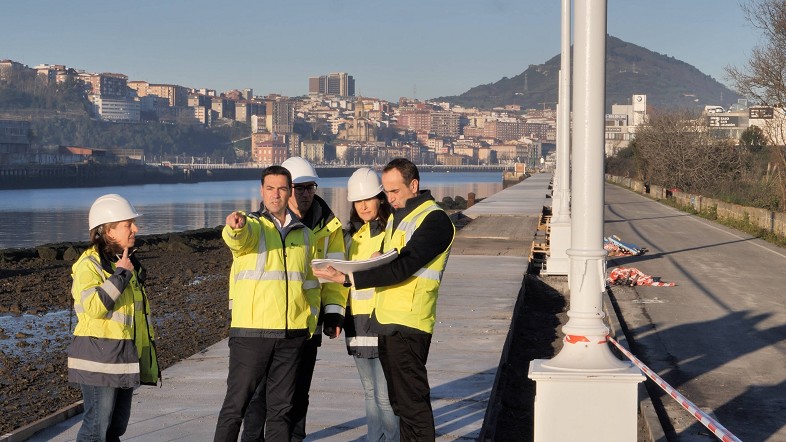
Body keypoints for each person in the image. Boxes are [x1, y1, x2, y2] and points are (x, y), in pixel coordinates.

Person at [314, 158, 455, 441]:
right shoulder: (398, 218)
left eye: (394, 191)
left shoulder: (435, 220)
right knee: (398, 403)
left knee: (413, 406)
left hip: (410, 324)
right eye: (387, 192)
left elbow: (403, 266)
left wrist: (348, 278)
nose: (389, 198)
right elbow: (391, 260)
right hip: (387, 321)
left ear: (413, 185)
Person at [241, 156, 349, 442]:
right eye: (298, 188)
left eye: (309, 187)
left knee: (299, 392)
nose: (304, 193)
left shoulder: (330, 227)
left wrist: (334, 313)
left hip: (307, 325)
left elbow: (334, 277)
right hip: (268, 325)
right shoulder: (261, 225)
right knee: (259, 394)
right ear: (286, 190)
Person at [214, 166, 321, 442]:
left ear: (290, 192)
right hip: (252, 334)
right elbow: (237, 239)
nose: (276, 194)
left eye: (282, 188)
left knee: (281, 412)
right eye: (270, 188)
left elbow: (310, 284)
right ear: (261, 191)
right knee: (235, 407)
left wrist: (309, 321)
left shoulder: (305, 235)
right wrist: (234, 227)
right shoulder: (253, 226)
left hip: (291, 336)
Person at [67, 193, 160, 441]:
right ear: (108, 231)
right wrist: (120, 275)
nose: (135, 229)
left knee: (115, 429)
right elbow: (94, 307)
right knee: (96, 430)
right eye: (128, 225)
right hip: (99, 361)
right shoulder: (89, 265)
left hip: (123, 358)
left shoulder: (126, 262)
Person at [343, 167, 399, 441]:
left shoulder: (391, 231)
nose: (364, 206)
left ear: (380, 198)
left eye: (369, 199)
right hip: (357, 322)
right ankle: (373, 438)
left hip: (382, 320)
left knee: (385, 395)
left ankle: (391, 438)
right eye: (359, 201)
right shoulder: (352, 237)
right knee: (368, 392)